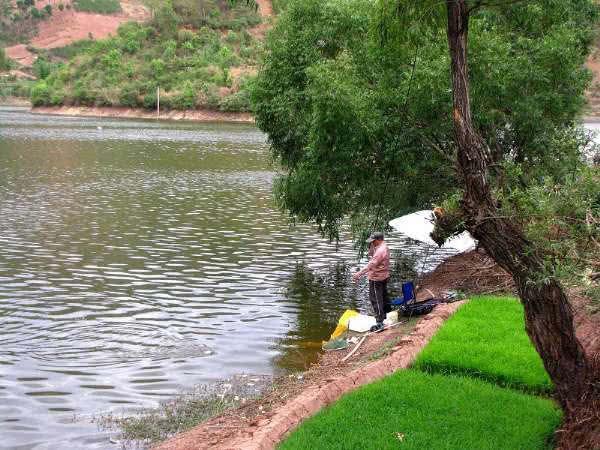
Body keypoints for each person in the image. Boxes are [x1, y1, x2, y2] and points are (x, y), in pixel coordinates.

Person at [352, 232, 390, 332]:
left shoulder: (380, 251)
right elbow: (371, 255)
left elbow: (370, 265)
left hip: (376, 278)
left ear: (377, 240)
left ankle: (379, 322)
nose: (372, 243)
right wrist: (372, 247)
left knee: (376, 299)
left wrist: (358, 274)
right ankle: (383, 316)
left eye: (373, 241)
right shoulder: (384, 246)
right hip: (384, 276)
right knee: (382, 297)